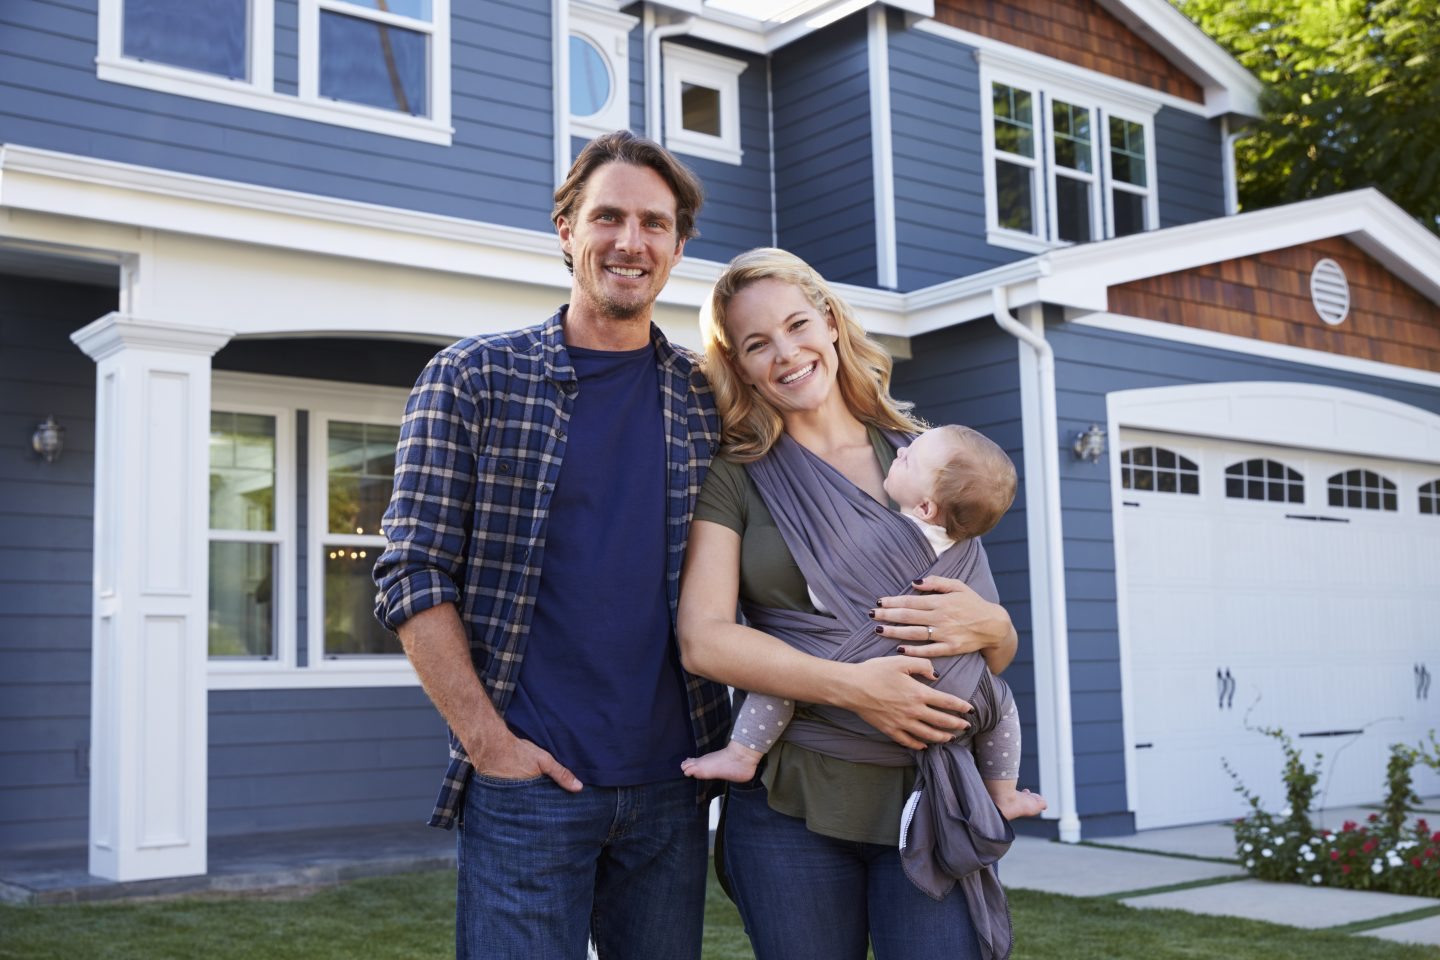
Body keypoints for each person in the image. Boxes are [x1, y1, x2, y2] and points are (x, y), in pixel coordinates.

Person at [372, 131, 731, 960]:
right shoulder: (472, 380)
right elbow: (410, 571)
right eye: (607, 217)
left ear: (678, 246)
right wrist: (488, 743)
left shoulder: (707, 401)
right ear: (565, 229)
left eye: (654, 223)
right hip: (528, 783)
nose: (630, 242)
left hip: (673, 787)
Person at [677, 248, 1023, 960]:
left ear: (831, 322)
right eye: (756, 344)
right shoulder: (736, 479)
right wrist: (854, 686)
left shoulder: (925, 459)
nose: (786, 353)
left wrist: (999, 624)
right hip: (793, 803)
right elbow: (704, 640)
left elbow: (986, 649)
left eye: (798, 324)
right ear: (739, 366)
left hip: (928, 796)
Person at [681, 423, 1047, 823]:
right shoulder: (964, 550)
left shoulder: (877, 536)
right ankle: (1004, 794)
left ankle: (742, 754)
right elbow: (985, 636)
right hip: (955, 694)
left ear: (925, 507)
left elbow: (825, 591)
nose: (901, 452)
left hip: (864, 668)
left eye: (910, 458)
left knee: (782, 673)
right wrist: (995, 626)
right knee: (1002, 704)